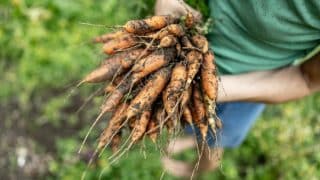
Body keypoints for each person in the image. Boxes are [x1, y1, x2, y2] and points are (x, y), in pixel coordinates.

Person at [155, 0, 320, 177]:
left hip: (248, 87)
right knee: (188, 119)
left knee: (214, 144)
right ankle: (190, 139)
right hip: (191, 47)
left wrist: (219, 89)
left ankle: (192, 171)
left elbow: (307, 79)